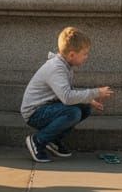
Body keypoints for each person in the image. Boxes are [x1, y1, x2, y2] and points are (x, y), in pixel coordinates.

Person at [21, 26, 112, 163]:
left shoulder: (65, 65)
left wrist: (89, 100)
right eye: (85, 54)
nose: (86, 57)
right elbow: (67, 97)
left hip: (48, 106)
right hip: (35, 112)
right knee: (73, 113)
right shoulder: (56, 68)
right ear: (72, 55)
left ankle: (52, 139)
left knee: (84, 108)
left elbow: (66, 91)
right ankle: (38, 140)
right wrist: (96, 92)